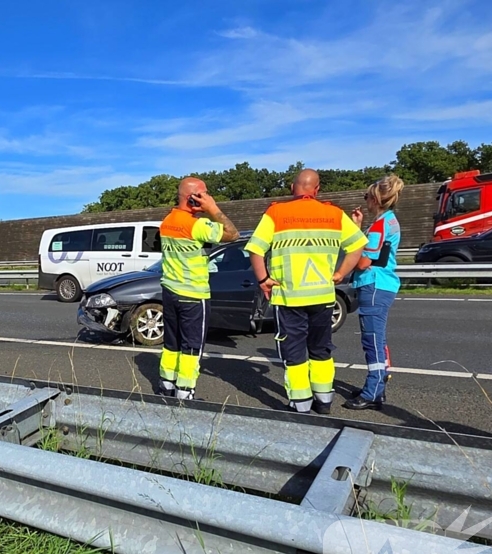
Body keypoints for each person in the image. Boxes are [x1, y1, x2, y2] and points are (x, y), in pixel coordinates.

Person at [246, 169, 367, 414]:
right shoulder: (334, 214)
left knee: (294, 351)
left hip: (289, 298)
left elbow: (255, 249)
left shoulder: (277, 213)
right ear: (317, 189)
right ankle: (324, 401)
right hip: (322, 297)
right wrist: (340, 273)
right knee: (321, 349)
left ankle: (300, 404)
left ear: (293, 187)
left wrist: (264, 279)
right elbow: (357, 247)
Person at [157, 177, 239, 400]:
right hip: (193, 293)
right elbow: (233, 234)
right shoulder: (197, 225)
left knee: (172, 343)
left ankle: (166, 384)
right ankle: (185, 391)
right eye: (203, 194)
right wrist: (213, 209)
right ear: (192, 198)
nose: (208, 197)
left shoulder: (167, 221)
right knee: (192, 346)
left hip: (171, 290)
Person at [345, 174, 404, 410]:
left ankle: (373, 390)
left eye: (366, 196)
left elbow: (363, 262)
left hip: (374, 285)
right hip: (383, 284)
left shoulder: (379, 225)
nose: (365, 200)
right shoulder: (390, 221)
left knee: (372, 339)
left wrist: (355, 234)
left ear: (376, 199)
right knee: (377, 338)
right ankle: (376, 388)